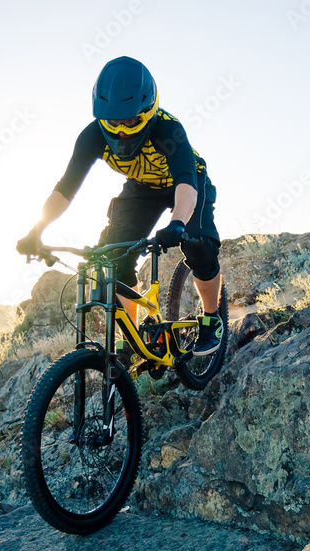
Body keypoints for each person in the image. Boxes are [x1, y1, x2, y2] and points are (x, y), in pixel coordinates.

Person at [16, 56, 224, 356]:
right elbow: (65, 189)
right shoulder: (92, 137)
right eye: (113, 122)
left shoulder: (168, 130)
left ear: (147, 111)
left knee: (198, 245)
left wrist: (178, 223)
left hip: (188, 183)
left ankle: (211, 317)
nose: (122, 131)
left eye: (130, 121)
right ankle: (133, 338)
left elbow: (187, 184)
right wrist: (38, 229)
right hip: (142, 188)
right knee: (112, 258)